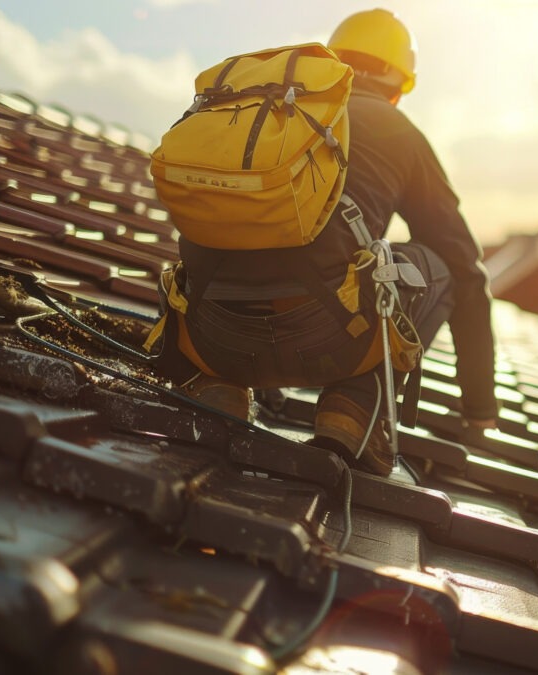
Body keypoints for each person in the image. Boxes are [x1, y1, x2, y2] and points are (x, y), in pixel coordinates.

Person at [153, 8, 499, 475]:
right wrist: (480, 412)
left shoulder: (266, 112)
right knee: (437, 264)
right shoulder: (399, 130)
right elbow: (466, 271)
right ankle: (354, 408)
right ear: (398, 85)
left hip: (211, 335)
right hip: (330, 337)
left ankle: (216, 389)